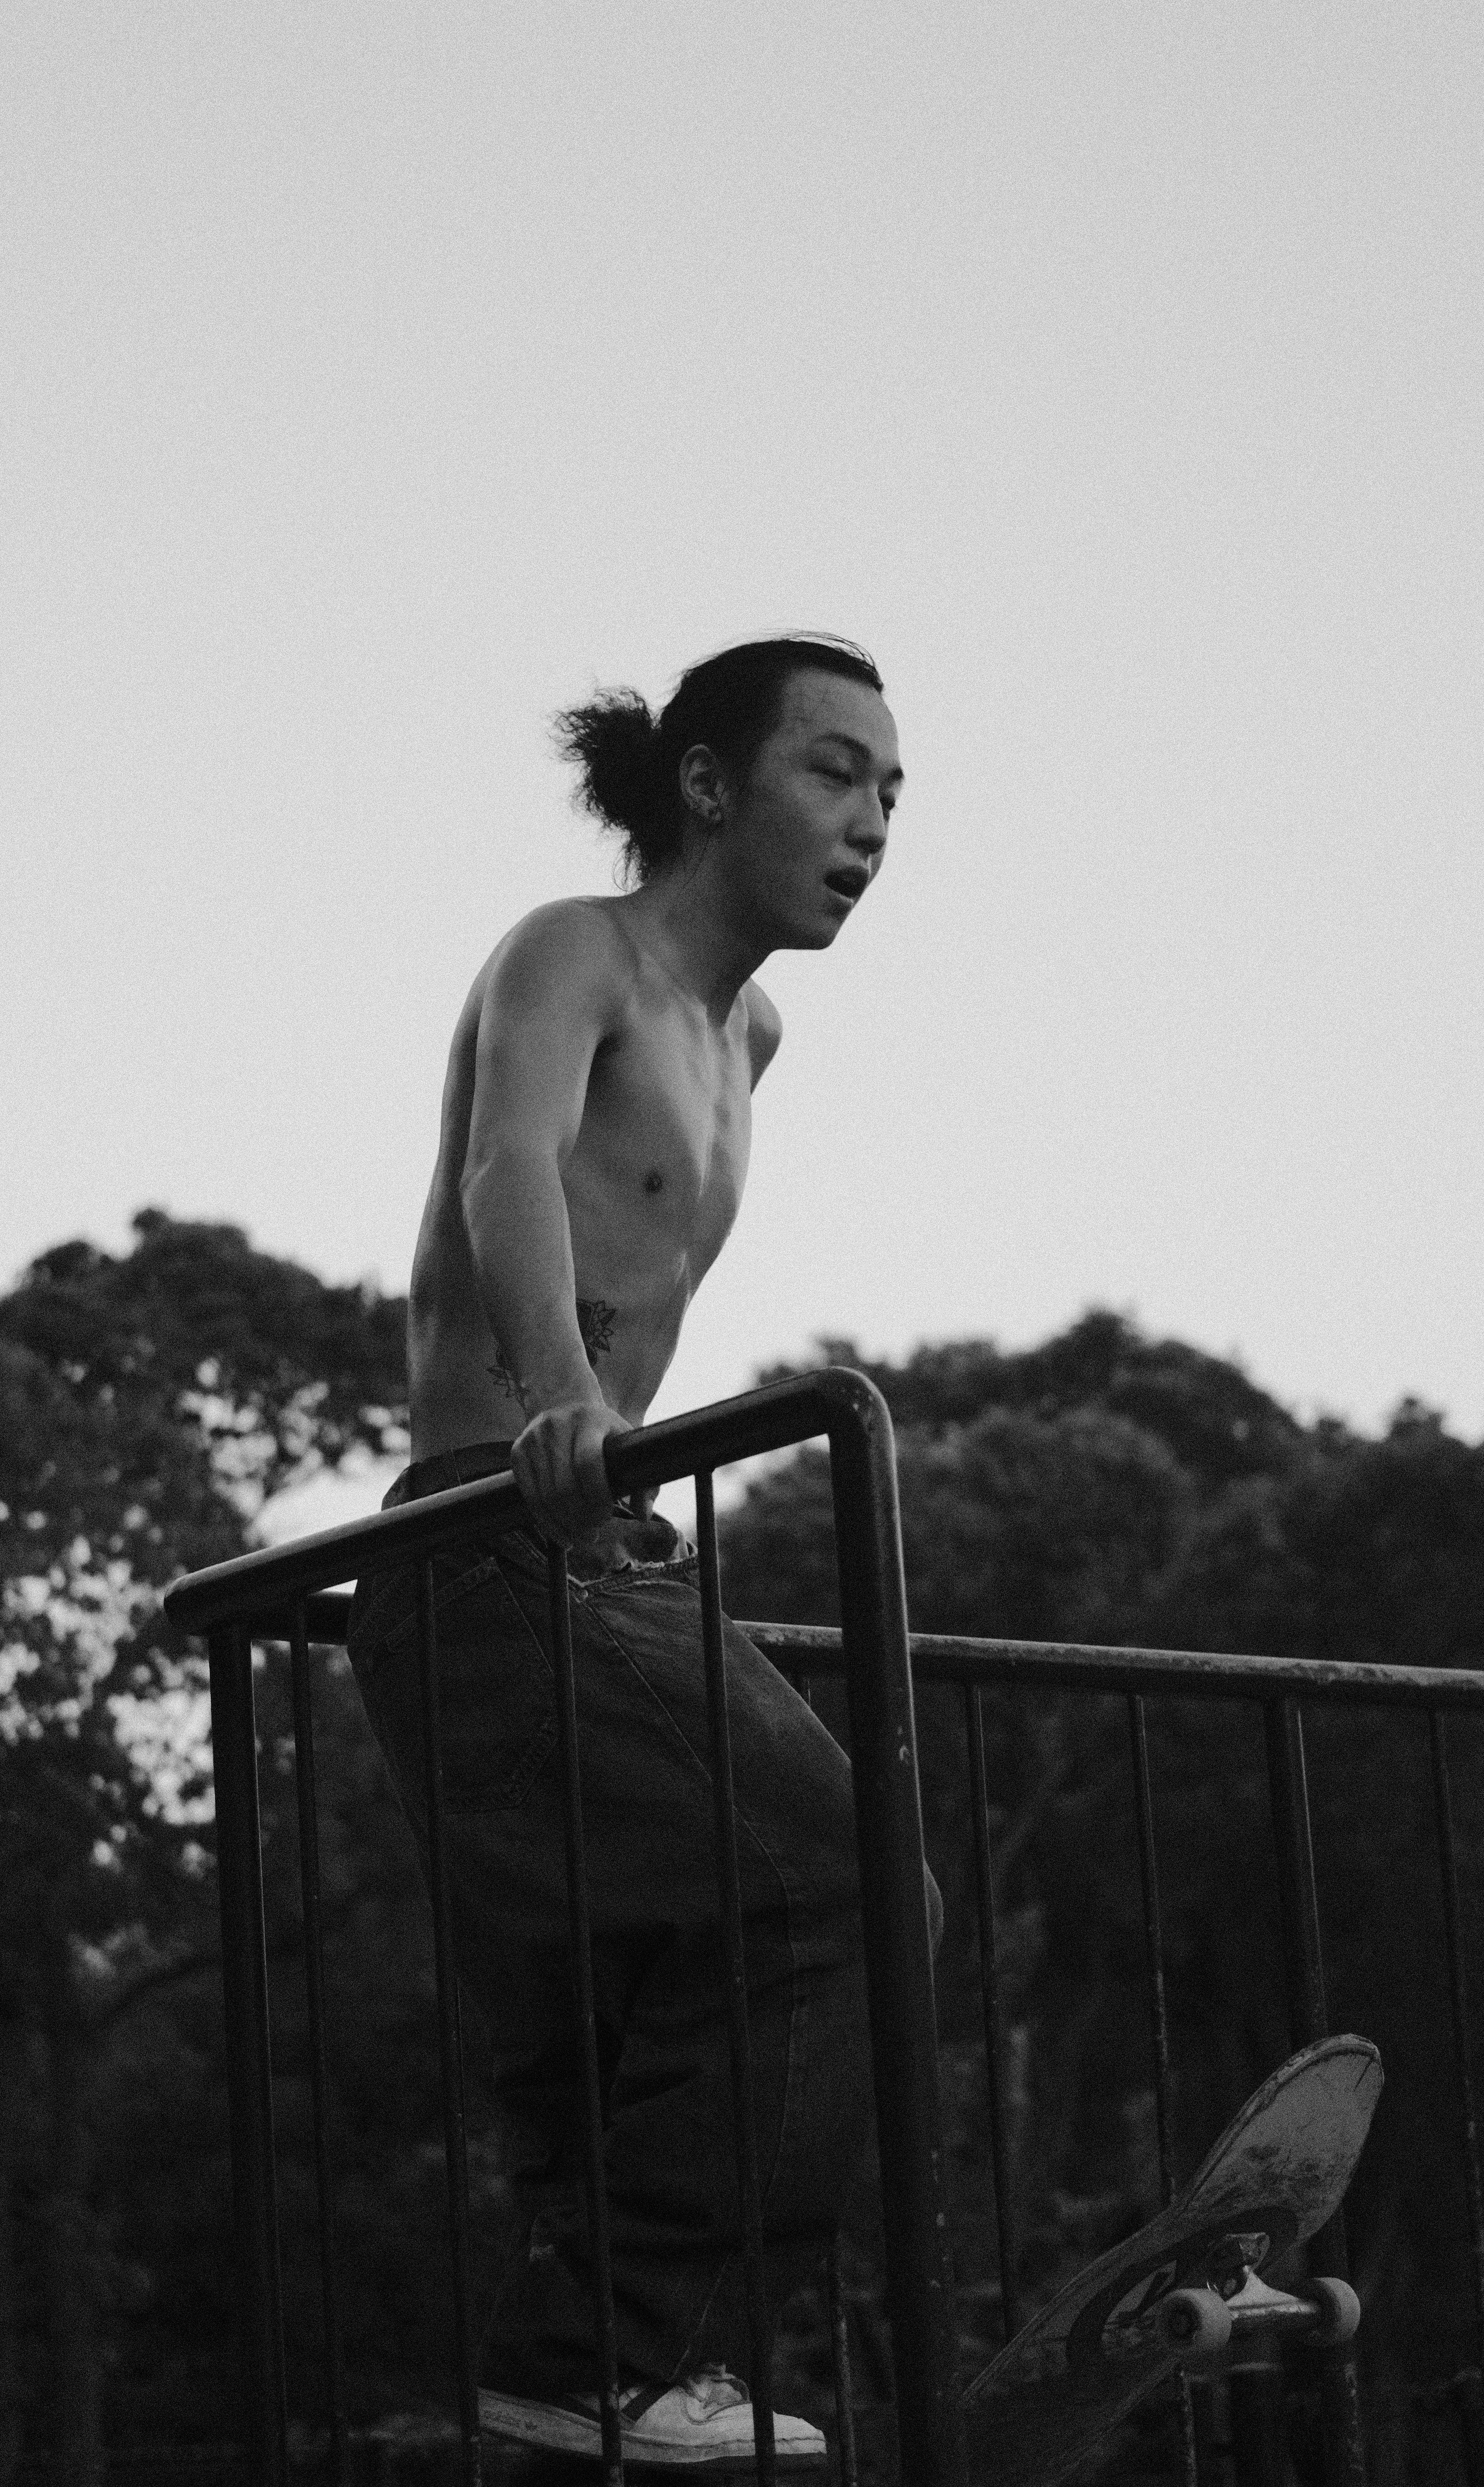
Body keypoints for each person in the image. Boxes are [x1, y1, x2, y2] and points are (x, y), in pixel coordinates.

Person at [347, 635, 941, 2467]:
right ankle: (596, 2345)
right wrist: (554, 1403)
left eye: (893, 795)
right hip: (493, 1537)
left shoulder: (753, 1030)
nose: (871, 825)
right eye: (833, 774)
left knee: (634, 1992)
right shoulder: (572, 952)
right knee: (852, 1886)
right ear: (706, 783)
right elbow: (506, 1172)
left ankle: (586, 2382)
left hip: (604, 1557)